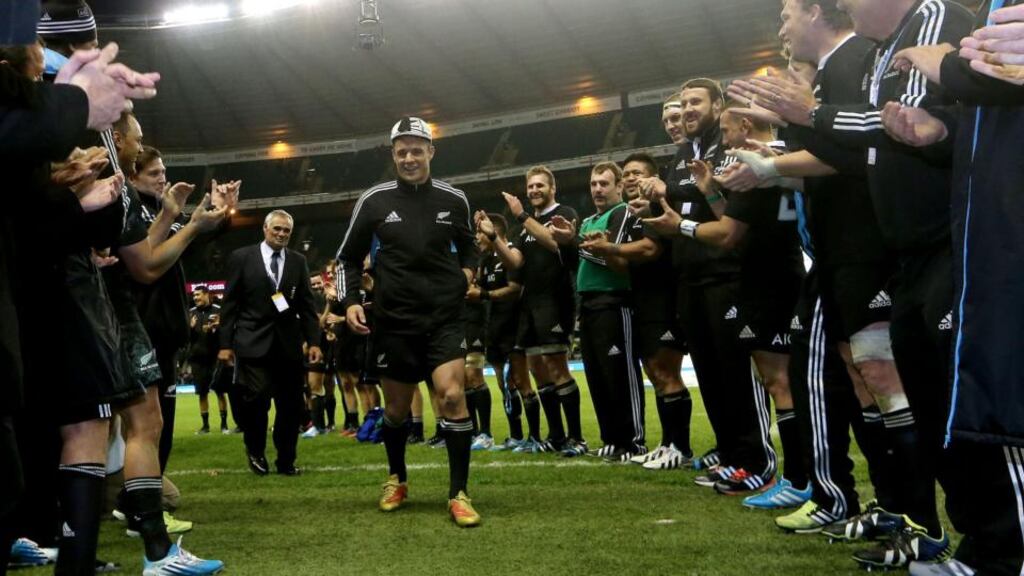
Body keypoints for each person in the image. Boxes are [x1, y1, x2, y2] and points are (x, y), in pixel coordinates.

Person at [723, 0, 974, 567]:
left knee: (896, 380)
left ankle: (913, 516)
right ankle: (909, 515)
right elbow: (855, 145)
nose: (782, 27)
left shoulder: (882, 47)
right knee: (877, 381)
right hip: (874, 250)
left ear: (816, 15)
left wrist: (789, 143)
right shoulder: (867, 57)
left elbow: (875, 139)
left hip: (885, 249)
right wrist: (774, 160)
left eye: (787, 13)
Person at [877, 3, 1024, 572]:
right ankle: (991, 550)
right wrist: (942, 128)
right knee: (981, 398)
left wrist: (950, 68)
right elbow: (998, 116)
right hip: (983, 235)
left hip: (990, 240)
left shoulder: (941, 18)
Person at [334, 117, 481, 527]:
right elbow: (347, 257)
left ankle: (458, 493)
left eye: (417, 150)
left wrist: (467, 275)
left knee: (452, 397)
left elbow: (471, 249)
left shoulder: (455, 200)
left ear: (431, 151)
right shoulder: (374, 201)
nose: (410, 158)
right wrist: (349, 303)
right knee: (396, 411)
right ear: (393, 155)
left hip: (444, 317)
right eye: (402, 151)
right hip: (393, 321)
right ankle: (397, 477)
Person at [488, 166, 584, 456]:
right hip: (529, 305)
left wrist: (521, 215)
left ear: (552, 188)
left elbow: (556, 243)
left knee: (557, 366)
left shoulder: (563, 212)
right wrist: (494, 238)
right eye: (530, 187)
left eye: (540, 185)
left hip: (555, 301)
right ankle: (555, 436)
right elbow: (515, 262)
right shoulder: (523, 227)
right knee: (537, 370)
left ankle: (576, 438)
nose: (534, 191)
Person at [218, 210, 322, 477]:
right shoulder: (242, 258)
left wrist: (314, 341)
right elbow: (230, 304)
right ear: (265, 229)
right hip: (252, 342)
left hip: (287, 345)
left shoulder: (298, 261)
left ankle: (286, 461)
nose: (282, 234)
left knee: (290, 406)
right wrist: (225, 344)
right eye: (277, 229)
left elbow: (308, 307)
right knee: (257, 402)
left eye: (286, 230)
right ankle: (255, 450)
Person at [468, 214, 529, 451]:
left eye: (480, 231)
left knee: (517, 382)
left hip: (513, 326)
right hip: (492, 326)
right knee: (505, 384)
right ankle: (515, 435)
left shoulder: (511, 253)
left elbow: (515, 288)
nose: (477, 237)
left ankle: (528, 435)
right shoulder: (487, 259)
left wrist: (483, 295)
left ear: (492, 230)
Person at [187, 285, 230, 435]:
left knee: (220, 391)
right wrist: (190, 329)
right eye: (194, 296)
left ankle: (224, 425)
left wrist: (218, 327)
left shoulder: (218, 310)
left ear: (206, 295)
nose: (195, 298)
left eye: (198, 295)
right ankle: (205, 426)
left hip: (215, 359)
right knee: (202, 393)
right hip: (197, 360)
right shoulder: (191, 313)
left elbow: (227, 331)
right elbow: (185, 339)